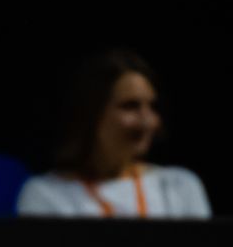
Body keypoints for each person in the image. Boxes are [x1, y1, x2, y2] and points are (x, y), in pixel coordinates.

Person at [17, 48, 210, 218]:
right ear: (92, 113)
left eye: (152, 106)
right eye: (130, 106)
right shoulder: (46, 194)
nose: (147, 120)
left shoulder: (179, 186)